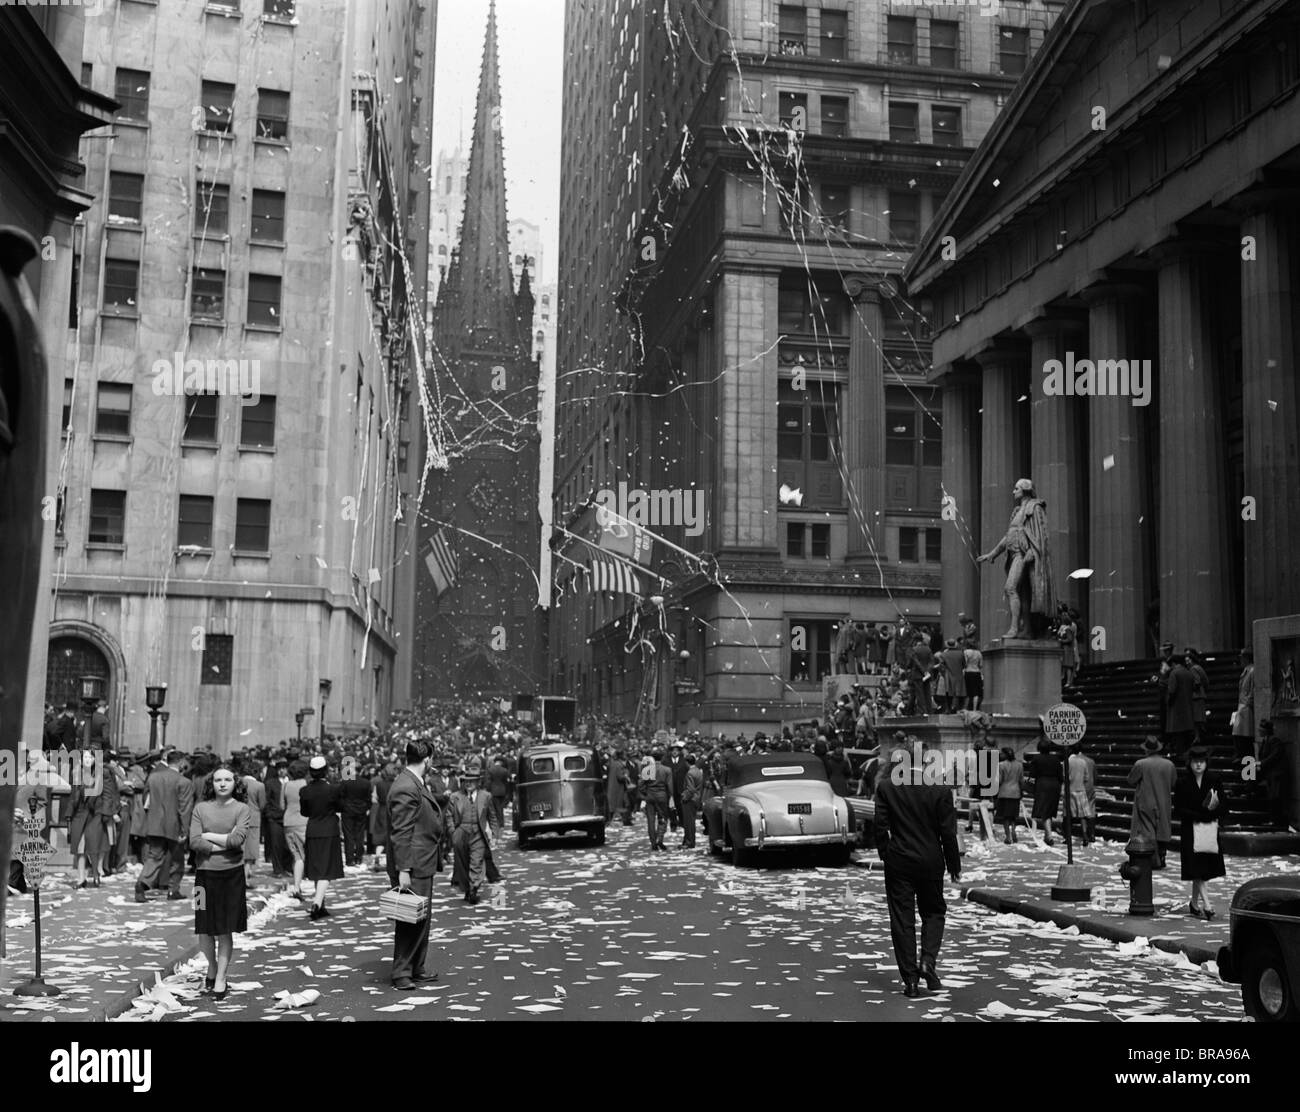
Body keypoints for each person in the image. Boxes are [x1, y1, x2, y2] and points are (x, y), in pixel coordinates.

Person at [874, 742, 961, 997]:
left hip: (899, 859)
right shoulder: (940, 788)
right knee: (934, 912)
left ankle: (910, 980)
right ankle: (928, 960)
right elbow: (948, 832)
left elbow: (880, 826)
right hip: (932, 859)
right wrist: (954, 865)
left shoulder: (887, 787)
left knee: (902, 918)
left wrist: (886, 854)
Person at [190, 765, 251, 1001]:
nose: (223, 784)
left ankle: (221, 977)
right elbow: (194, 842)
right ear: (211, 784)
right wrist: (223, 843)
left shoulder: (242, 809)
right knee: (203, 929)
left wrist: (209, 837)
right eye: (218, 780)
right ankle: (212, 966)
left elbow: (238, 840)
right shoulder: (200, 808)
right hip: (202, 876)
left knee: (225, 929)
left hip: (232, 876)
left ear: (235, 783)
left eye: (227, 779)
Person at [387, 739, 442, 990]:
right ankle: (402, 972)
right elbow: (401, 831)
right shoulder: (406, 787)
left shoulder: (411, 783)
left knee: (421, 917)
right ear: (427, 759)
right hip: (414, 863)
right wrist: (404, 870)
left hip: (422, 861)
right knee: (410, 919)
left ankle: (416, 967)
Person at [1173, 747, 1228, 920]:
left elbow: (1224, 804)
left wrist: (1212, 813)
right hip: (1190, 828)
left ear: (1206, 763)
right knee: (1195, 867)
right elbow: (1178, 808)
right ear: (1189, 763)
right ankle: (1208, 905)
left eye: (1202, 761)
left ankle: (1194, 903)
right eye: (1195, 761)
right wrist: (1196, 815)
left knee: (1202, 868)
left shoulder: (1214, 779)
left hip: (1209, 828)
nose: (1198, 765)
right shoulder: (1182, 782)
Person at [135, 749, 193, 903]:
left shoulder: (154, 777)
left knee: (154, 856)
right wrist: (185, 829)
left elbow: (145, 798)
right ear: (181, 762)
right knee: (177, 859)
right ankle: (173, 890)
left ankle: (142, 883)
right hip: (174, 825)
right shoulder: (184, 782)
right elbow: (184, 808)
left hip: (155, 823)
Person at [300, 756, 343, 920]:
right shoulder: (332, 789)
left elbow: (305, 812)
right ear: (325, 771)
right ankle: (317, 902)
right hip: (329, 830)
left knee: (318, 868)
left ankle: (321, 904)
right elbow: (341, 806)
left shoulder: (305, 791)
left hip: (313, 830)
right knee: (327, 869)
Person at [1127, 736, 1177, 869]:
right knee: (1163, 829)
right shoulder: (1169, 765)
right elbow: (1173, 783)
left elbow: (1131, 780)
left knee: (1148, 830)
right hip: (1164, 801)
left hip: (1146, 801)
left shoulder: (1140, 764)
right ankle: (1162, 855)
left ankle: (1154, 859)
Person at [448, 774, 495, 904]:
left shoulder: (486, 796)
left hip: (478, 834)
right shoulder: (455, 797)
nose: (468, 783)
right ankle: (467, 888)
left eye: (472, 781)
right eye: (466, 781)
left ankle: (474, 888)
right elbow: (449, 816)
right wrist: (453, 832)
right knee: (463, 863)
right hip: (461, 833)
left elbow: (492, 815)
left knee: (476, 860)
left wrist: (494, 833)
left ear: (478, 782)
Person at [1258, 719, 1298, 832]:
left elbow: (1274, 756)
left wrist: (1261, 763)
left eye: (1261, 729)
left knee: (1275, 798)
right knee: (1272, 797)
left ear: (1266, 730)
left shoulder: (1274, 741)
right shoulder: (1265, 741)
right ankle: (1274, 820)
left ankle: (1277, 821)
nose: (1259, 731)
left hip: (1277, 775)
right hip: (1270, 774)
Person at [282, 759, 310, 900]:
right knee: (305, 854)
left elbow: (282, 805)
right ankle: (305, 882)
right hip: (303, 821)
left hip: (288, 821)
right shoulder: (306, 784)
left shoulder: (286, 785)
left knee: (297, 855)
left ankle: (297, 885)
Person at [1027, 739, 1062, 845]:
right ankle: (1047, 835)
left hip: (1042, 784)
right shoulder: (1056, 759)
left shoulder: (1036, 759)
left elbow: (1032, 774)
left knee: (1043, 810)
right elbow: (1060, 775)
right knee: (1049, 810)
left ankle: (1049, 835)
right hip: (1055, 785)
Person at [1164, 653, 1197, 761]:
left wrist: (1167, 701)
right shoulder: (1189, 673)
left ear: (1174, 663)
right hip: (1188, 709)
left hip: (1176, 710)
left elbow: (1171, 691)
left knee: (1178, 739)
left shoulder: (1174, 673)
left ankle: (1180, 756)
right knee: (1186, 738)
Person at [338, 761, 371, 867]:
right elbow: (368, 798)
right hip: (361, 810)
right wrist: (366, 808)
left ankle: (349, 859)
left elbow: (341, 796)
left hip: (348, 810)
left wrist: (343, 807)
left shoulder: (345, 782)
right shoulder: (366, 782)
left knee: (348, 835)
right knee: (360, 834)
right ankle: (359, 857)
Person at [262, 760, 291, 879]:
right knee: (276, 844)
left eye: (284, 768)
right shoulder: (270, 783)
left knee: (288, 845)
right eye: (280, 768)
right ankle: (278, 869)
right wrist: (269, 814)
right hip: (275, 818)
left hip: (289, 817)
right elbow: (266, 800)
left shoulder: (291, 783)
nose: (282, 771)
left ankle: (287, 867)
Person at [240, 761, 266, 888]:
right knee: (250, 852)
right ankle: (244, 878)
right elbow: (262, 805)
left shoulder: (237, 782)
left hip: (237, 817)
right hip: (253, 819)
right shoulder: (259, 786)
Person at [1066, 743, 1097, 846]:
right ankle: (1088, 834)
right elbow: (1088, 777)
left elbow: (1064, 776)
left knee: (1068, 814)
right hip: (1083, 789)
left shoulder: (1068, 761)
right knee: (1085, 814)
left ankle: (1068, 836)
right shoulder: (1086, 761)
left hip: (1071, 789)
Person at [995, 747, 1022, 844]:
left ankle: (1008, 836)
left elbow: (999, 780)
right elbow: (1021, 780)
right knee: (1013, 816)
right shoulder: (1019, 765)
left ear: (1005, 754)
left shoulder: (1001, 765)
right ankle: (1013, 831)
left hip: (1004, 792)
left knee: (1005, 817)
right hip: (1016, 792)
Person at [1232, 649, 1255, 763]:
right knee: (1239, 735)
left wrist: (1247, 703)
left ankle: (1250, 776)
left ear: (1246, 658)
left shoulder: (1252, 670)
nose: (1240, 660)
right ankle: (1240, 756)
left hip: (1246, 708)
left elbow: (1252, 690)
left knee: (1247, 740)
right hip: (1242, 707)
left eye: (1242, 657)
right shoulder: (1246, 670)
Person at [1185, 649, 1210, 742]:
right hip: (1201, 695)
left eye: (1188, 660)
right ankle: (1199, 736)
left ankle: (1198, 737)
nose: (1187, 663)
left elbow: (1197, 682)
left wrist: (1189, 687)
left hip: (1196, 696)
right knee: (1199, 718)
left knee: (1197, 719)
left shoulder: (1193, 669)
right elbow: (1206, 682)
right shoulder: (1199, 667)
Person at [679, 754, 704, 849]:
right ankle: (689, 841)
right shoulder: (698, 771)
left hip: (690, 799)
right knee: (691, 822)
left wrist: (685, 798)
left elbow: (690, 789)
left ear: (687, 762)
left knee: (688, 822)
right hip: (697, 798)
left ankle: (689, 842)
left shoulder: (690, 773)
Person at [607, 749, 632, 825]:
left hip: (612, 787)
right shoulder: (620, 765)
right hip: (618, 788)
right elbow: (620, 777)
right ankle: (626, 821)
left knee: (613, 807)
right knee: (624, 804)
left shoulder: (613, 763)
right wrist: (626, 777)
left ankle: (609, 821)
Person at [485, 757, 511, 832]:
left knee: (496, 808)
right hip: (502, 791)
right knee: (500, 807)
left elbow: (488, 782)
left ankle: (498, 823)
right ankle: (501, 823)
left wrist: (488, 789)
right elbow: (507, 782)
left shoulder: (490, 770)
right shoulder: (504, 770)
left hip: (494, 791)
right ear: (501, 762)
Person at [1057, 608, 1079, 687]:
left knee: (1068, 665)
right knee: (1065, 665)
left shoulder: (1068, 629)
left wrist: (1062, 640)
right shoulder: (1063, 628)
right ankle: (1065, 678)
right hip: (1064, 649)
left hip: (1068, 649)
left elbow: (1070, 639)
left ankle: (1069, 681)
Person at [963, 643, 984, 711]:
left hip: (968, 672)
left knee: (968, 691)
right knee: (976, 692)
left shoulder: (966, 652)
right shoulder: (979, 653)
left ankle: (966, 708)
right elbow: (980, 665)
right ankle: (975, 709)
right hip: (977, 672)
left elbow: (965, 663)